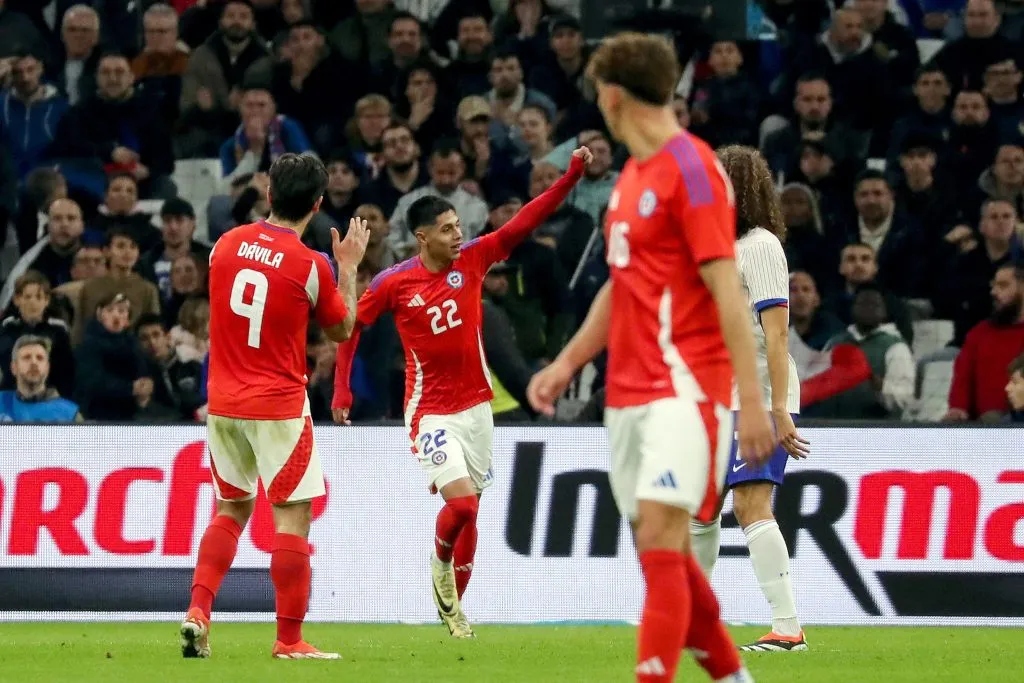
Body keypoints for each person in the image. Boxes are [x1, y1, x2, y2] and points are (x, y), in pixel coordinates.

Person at [526, 33, 775, 683]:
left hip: (688, 391)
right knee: (667, 563)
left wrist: (751, 402)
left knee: (665, 546)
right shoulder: (633, 174)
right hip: (628, 396)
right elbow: (622, 282)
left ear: (611, 97)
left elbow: (728, 290)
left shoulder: (693, 169)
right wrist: (567, 361)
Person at [331, 146, 593, 639]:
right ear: (422, 236)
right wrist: (342, 389)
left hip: (478, 407)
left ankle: (454, 612)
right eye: (448, 229)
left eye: (459, 226)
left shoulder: (474, 260)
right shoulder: (393, 282)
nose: (459, 235)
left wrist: (571, 177)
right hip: (430, 412)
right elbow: (350, 329)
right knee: (463, 507)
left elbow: (525, 222)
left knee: (473, 516)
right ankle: (440, 565)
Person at [180, 152, 369, 660]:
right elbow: (342, 328)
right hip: (279, 405)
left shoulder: (224, 246)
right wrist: (347, 267)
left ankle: (199, 612)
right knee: (292, 516)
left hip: (222, 402)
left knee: (230, 508)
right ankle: (289, 640)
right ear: (318, 204)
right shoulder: (311, 264)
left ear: (268, 194)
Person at [689, 145, 811, 653]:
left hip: (760, 396)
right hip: (719, 394)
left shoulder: (759, 247)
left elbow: (777, 334)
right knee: (700, 508)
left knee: (750, 503)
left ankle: (788, 629)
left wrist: (779, 408)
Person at [0, 335, 81, 423]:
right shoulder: (2, 402)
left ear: (47, 368)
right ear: (13, 367)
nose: (34, 362)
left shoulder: (69, 413)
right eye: (27, 357)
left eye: (40, 358)